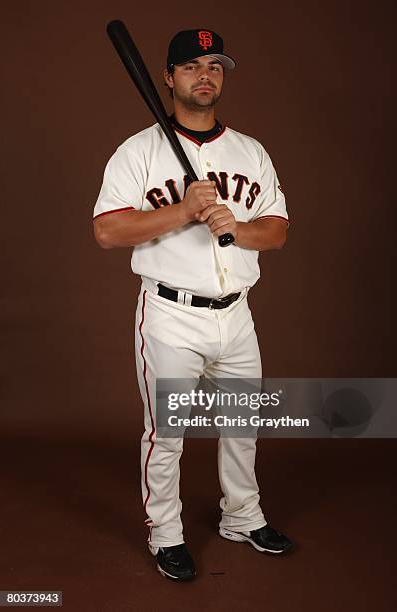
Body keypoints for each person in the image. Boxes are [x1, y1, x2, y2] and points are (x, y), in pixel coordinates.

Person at [93, 28, 292, 581]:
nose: (205, 75)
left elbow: (275, 231)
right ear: (167, 77)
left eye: (215, 66)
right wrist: (181, 212)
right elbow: (107, 232)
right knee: (168, 433)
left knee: (243, 423)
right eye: (191, 65)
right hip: (170, 315)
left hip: (237, 313)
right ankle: (166, 534)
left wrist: (238, 227)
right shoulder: (138, 151)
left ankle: (242, 516)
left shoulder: (250, 151)